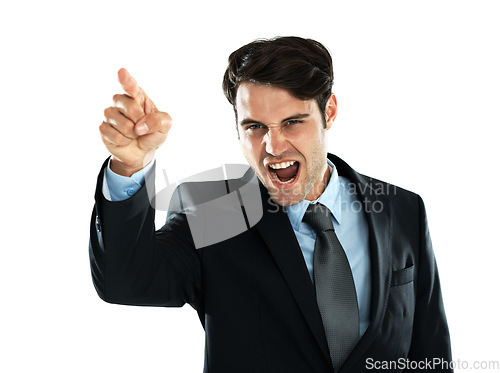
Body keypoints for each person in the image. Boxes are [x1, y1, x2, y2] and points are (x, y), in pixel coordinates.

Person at [90, 36, 452, 372]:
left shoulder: (400, 209)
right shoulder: (217, 211)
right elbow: (126, 281)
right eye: (255, 127)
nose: (273, 147)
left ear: (329, 113)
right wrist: (129, 167)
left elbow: (431, 353)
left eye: (292, 122)